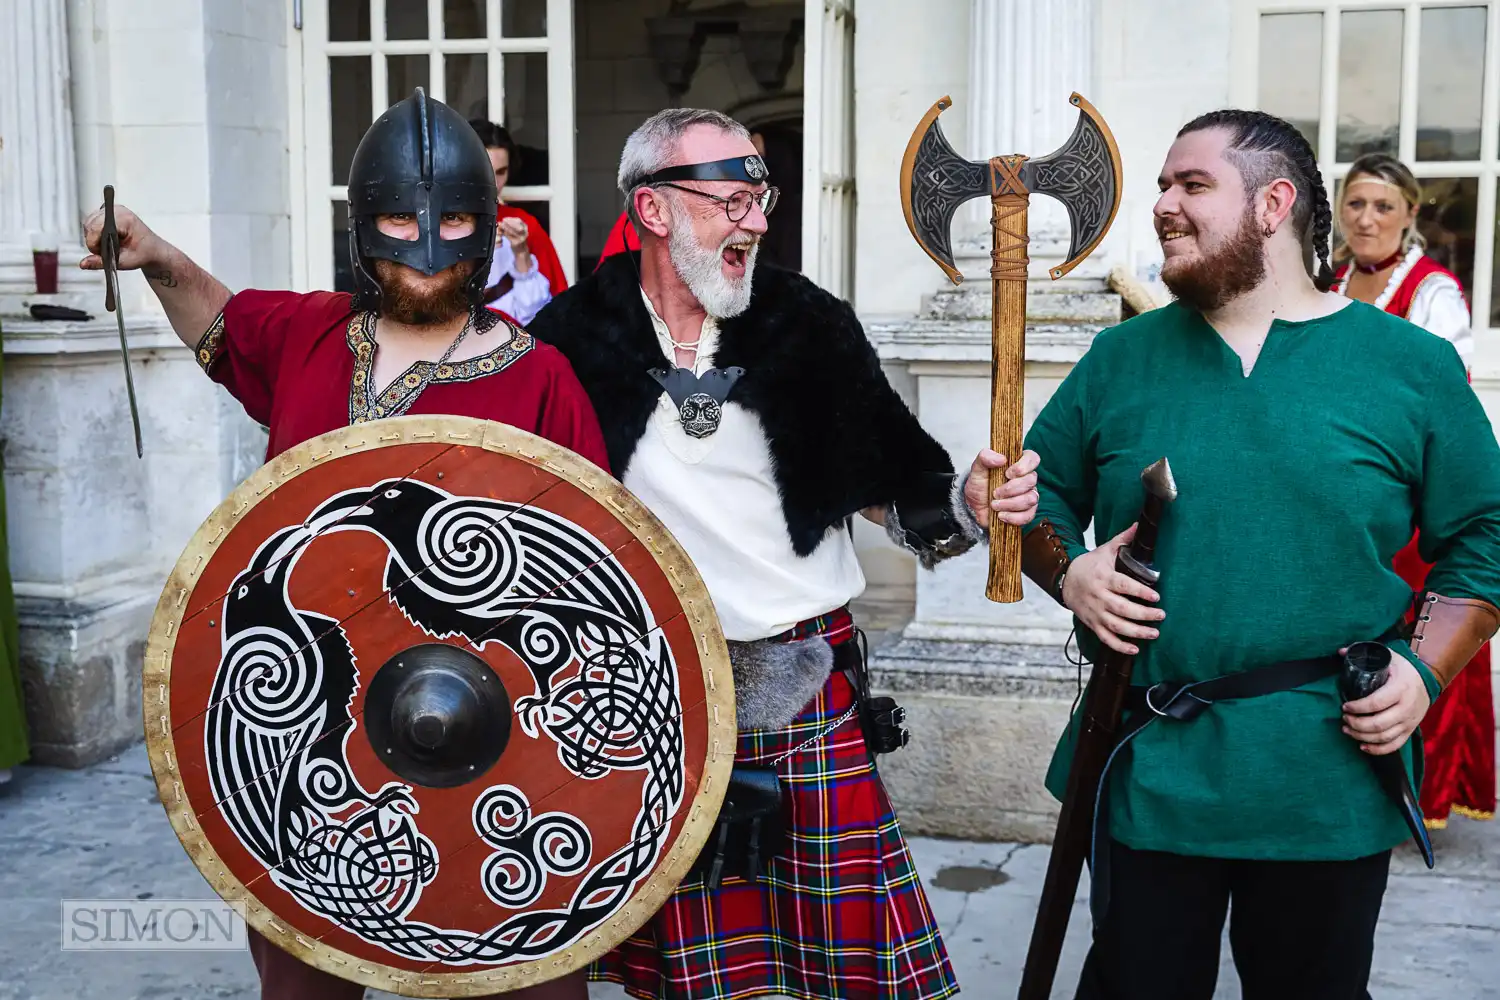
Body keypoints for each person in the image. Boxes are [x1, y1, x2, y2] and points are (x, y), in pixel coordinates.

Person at [81, 88, 603, 1000]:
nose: (426, 242)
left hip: (493, 726)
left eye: (453, 219)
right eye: (401, 215)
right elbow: (216, 317)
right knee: (304, 976)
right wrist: (156, 256)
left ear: (489, 227)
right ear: (365, 225)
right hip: (306, 727)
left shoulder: (542, 378)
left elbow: (599, 581)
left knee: (525, 975)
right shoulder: (307, 333)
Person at [528, 107, 1042, 1000]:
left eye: (762, 200)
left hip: (802, 678)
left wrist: (966, 499)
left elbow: (889, 475)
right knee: (697, 977)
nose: (758, 222)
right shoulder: (569, 338)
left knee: (843, 972)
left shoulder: (806, 323)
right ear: (653, 210)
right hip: (650, 696)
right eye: (732, 199)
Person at [1020, 109, 1500, 999]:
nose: (1162, 204)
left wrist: (1424, 671)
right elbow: (1030, 501)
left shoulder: (1409, 366)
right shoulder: (1122, 358)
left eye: (1191, 184)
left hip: (1322, 774)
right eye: (1163, 185)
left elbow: (1487, 530)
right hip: (1149, 764)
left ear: (1274, 203)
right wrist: (1069, 571)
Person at [1334, 152, 1493, 832]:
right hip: (1340, 484)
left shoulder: (1435, 293)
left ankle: (1423, 793)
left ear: (1410, 214)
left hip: (1409, 487)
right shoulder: (1328, 279)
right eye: (1356, 203)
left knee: (1418, 632)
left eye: (1383, 206)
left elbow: (1434, 397)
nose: (1367, 218)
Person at [469, 118, 568, 323]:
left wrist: (521, 252)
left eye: (501, 172)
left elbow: (558, 306)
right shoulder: (437, 223)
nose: (493, 183)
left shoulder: (522, 224)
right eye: (484, 170)